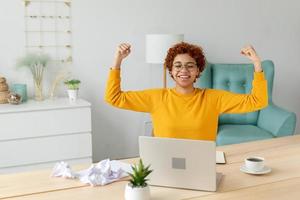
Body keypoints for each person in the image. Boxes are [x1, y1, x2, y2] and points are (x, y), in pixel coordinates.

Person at [105, 42, 268, 141]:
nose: (184, 70)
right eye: (178, 65)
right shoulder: (157, 97)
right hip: (164, 165)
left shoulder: (212, 98)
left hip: (201, 167)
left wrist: (257, 64)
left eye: (190, 65)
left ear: (198, 71)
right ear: (171, 70)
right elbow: (114, 98)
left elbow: (257, 101)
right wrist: (117, 61)